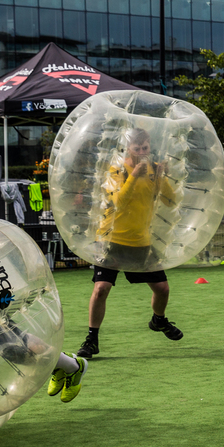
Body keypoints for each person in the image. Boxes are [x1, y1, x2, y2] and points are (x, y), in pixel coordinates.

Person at [76, 128, 183, 360]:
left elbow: (170, 199)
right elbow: (119, 202)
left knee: (162, 289)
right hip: (111, 238)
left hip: (140, 240)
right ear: (128, 149)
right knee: (101, 289)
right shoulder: (117, 169)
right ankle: (91, 339)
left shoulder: (154, 169)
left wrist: (162, 177)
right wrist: (134, 175)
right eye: (137, 148)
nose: (143, 153)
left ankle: (158, 320)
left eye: (146, 148)